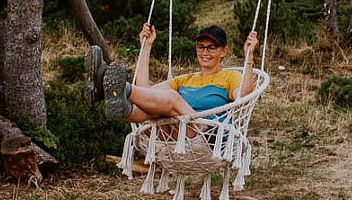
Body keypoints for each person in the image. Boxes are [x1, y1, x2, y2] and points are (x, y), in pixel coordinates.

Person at [99, 24, 258, 139]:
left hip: (206, 134)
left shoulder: (230, 77)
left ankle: (118, 87)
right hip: (174, 131)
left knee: (172, 97)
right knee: (149, 107)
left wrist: (249, 58)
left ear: (224, 51)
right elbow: (146, 92)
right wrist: (146, 47)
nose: (204, 52)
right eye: (200, 47)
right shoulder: (185, 80)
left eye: (211, 47)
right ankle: (116, 101)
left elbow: (243, 96)